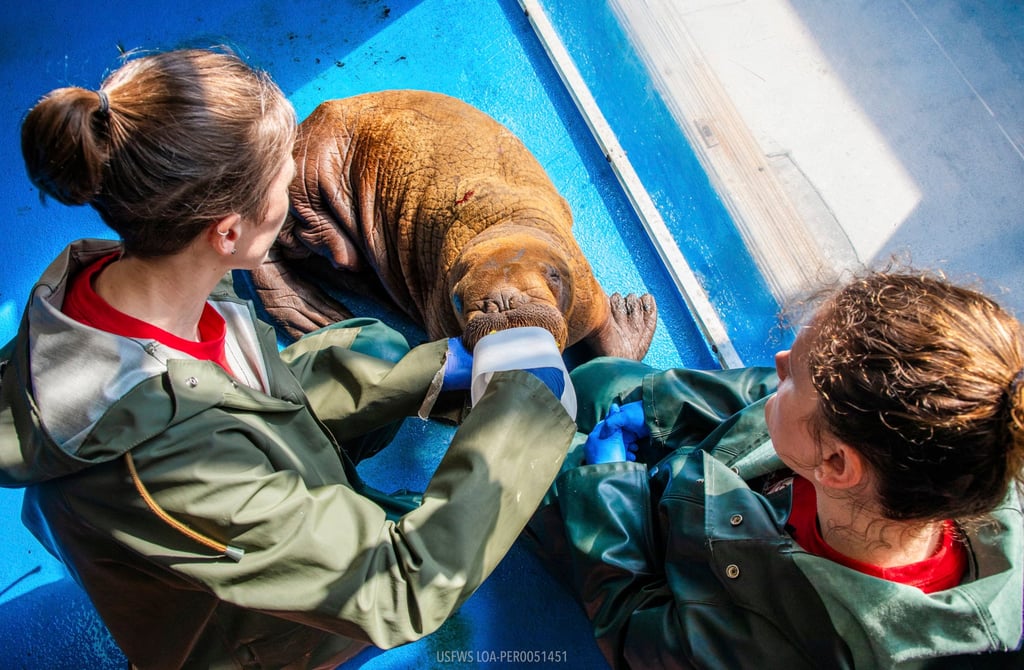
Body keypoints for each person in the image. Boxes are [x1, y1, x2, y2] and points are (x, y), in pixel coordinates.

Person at [0, 47, 577, 669]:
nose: (293, 175)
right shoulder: (168, 468)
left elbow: (231, 391)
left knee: (374, 347)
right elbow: (394, 588)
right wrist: (528, 408)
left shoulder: (135, 279)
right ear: (229, 231)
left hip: (208, 470)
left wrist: (430, 373)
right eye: (284, 171)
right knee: (424, 558)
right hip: (249, 635)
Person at [528, 270, 1024, 668]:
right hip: (699, 488)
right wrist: (661, 407)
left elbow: (635, 624)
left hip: (656, 560)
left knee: (532, 449)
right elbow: (763, 393)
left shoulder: (779, 648)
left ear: (832, 463)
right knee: (598, 380)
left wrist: (608, 484)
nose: (780, 359)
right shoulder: (969, 444)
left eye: (796, 374)